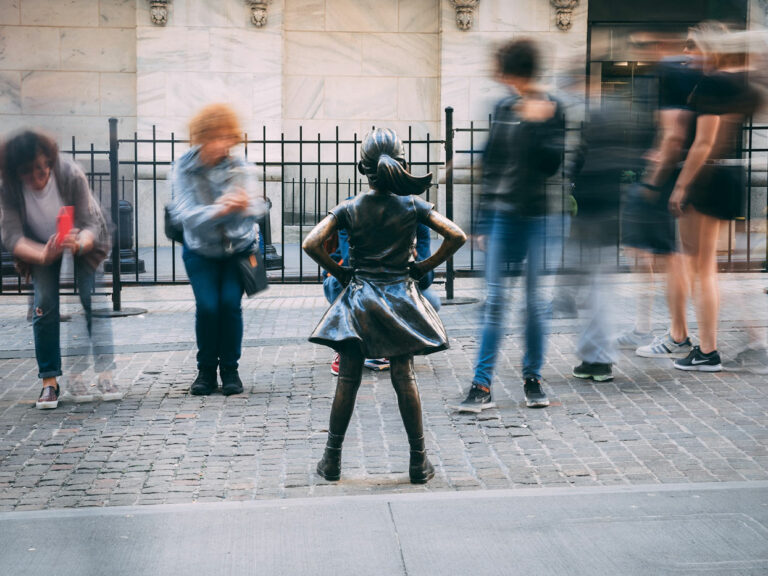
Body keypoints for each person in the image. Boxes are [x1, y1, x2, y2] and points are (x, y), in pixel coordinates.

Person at [303, 128, 465, 484]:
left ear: (364, 168)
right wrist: (423, 266)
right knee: (403, 377)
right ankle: (418, 462)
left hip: (359, 299)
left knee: (348, 379)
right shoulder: (412, 205)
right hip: (399, 299)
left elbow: (311, 242)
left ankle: (331, 460)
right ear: (402, 163)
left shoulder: (350, 207)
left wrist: (341, 272)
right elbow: (456, 236)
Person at [457, 38, 564, 412]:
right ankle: (481, 385)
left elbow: (552, 164)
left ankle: (532, 378)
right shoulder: (502, 106)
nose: (499, 75)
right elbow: (491, 163)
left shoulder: (552, 107)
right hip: (502, 217)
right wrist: (481, 220)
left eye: (503, 68)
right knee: (496, 301)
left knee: (534, 303)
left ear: (515, 70)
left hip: (537, 218)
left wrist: (537, 125)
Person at [667, 24, 761, 371]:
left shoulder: (714, 83)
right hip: (729, 176)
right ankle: (702, 344)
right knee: (704, 266)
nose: (687, 54)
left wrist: (681, 185)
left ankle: (707, 349)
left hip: (706, 177)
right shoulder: (743, 84)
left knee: (700, 266)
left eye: (693, 46)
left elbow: (704, 143)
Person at [0, 129, 115, 409]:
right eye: (30, 172)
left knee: (93, 301)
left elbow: (90, 223)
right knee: (44, 304)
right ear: (17, 172)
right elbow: (12, 236)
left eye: (43, 168)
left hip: (79, 238)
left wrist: (78, 244)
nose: (39, 177)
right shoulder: (9, 188)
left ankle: (106, 374)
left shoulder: (68, 173)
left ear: (49, 161)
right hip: (38, 243)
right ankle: (49, 382)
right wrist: (43, 255)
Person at [169, 103, 267, 396]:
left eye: (228, 137)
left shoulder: (240, 166)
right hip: (200, 250)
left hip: (239, 248)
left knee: (229, 306)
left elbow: (259, 207)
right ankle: (206, 371)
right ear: (202, 136)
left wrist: (245, 205)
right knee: (208, 306)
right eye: (217, 137)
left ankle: (230, 371)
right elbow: (184, 214)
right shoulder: (184, 169)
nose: (224, 144)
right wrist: (221, 209)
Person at [323, 219, 441, 376]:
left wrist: (414, 258)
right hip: (360, 281)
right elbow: (352, 269)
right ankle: (347, 343)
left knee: (431, 300)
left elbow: (425, 281)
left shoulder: (416, 219)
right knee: (337, 284)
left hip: (395, 285)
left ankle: (387, 343)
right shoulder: (354, 212)